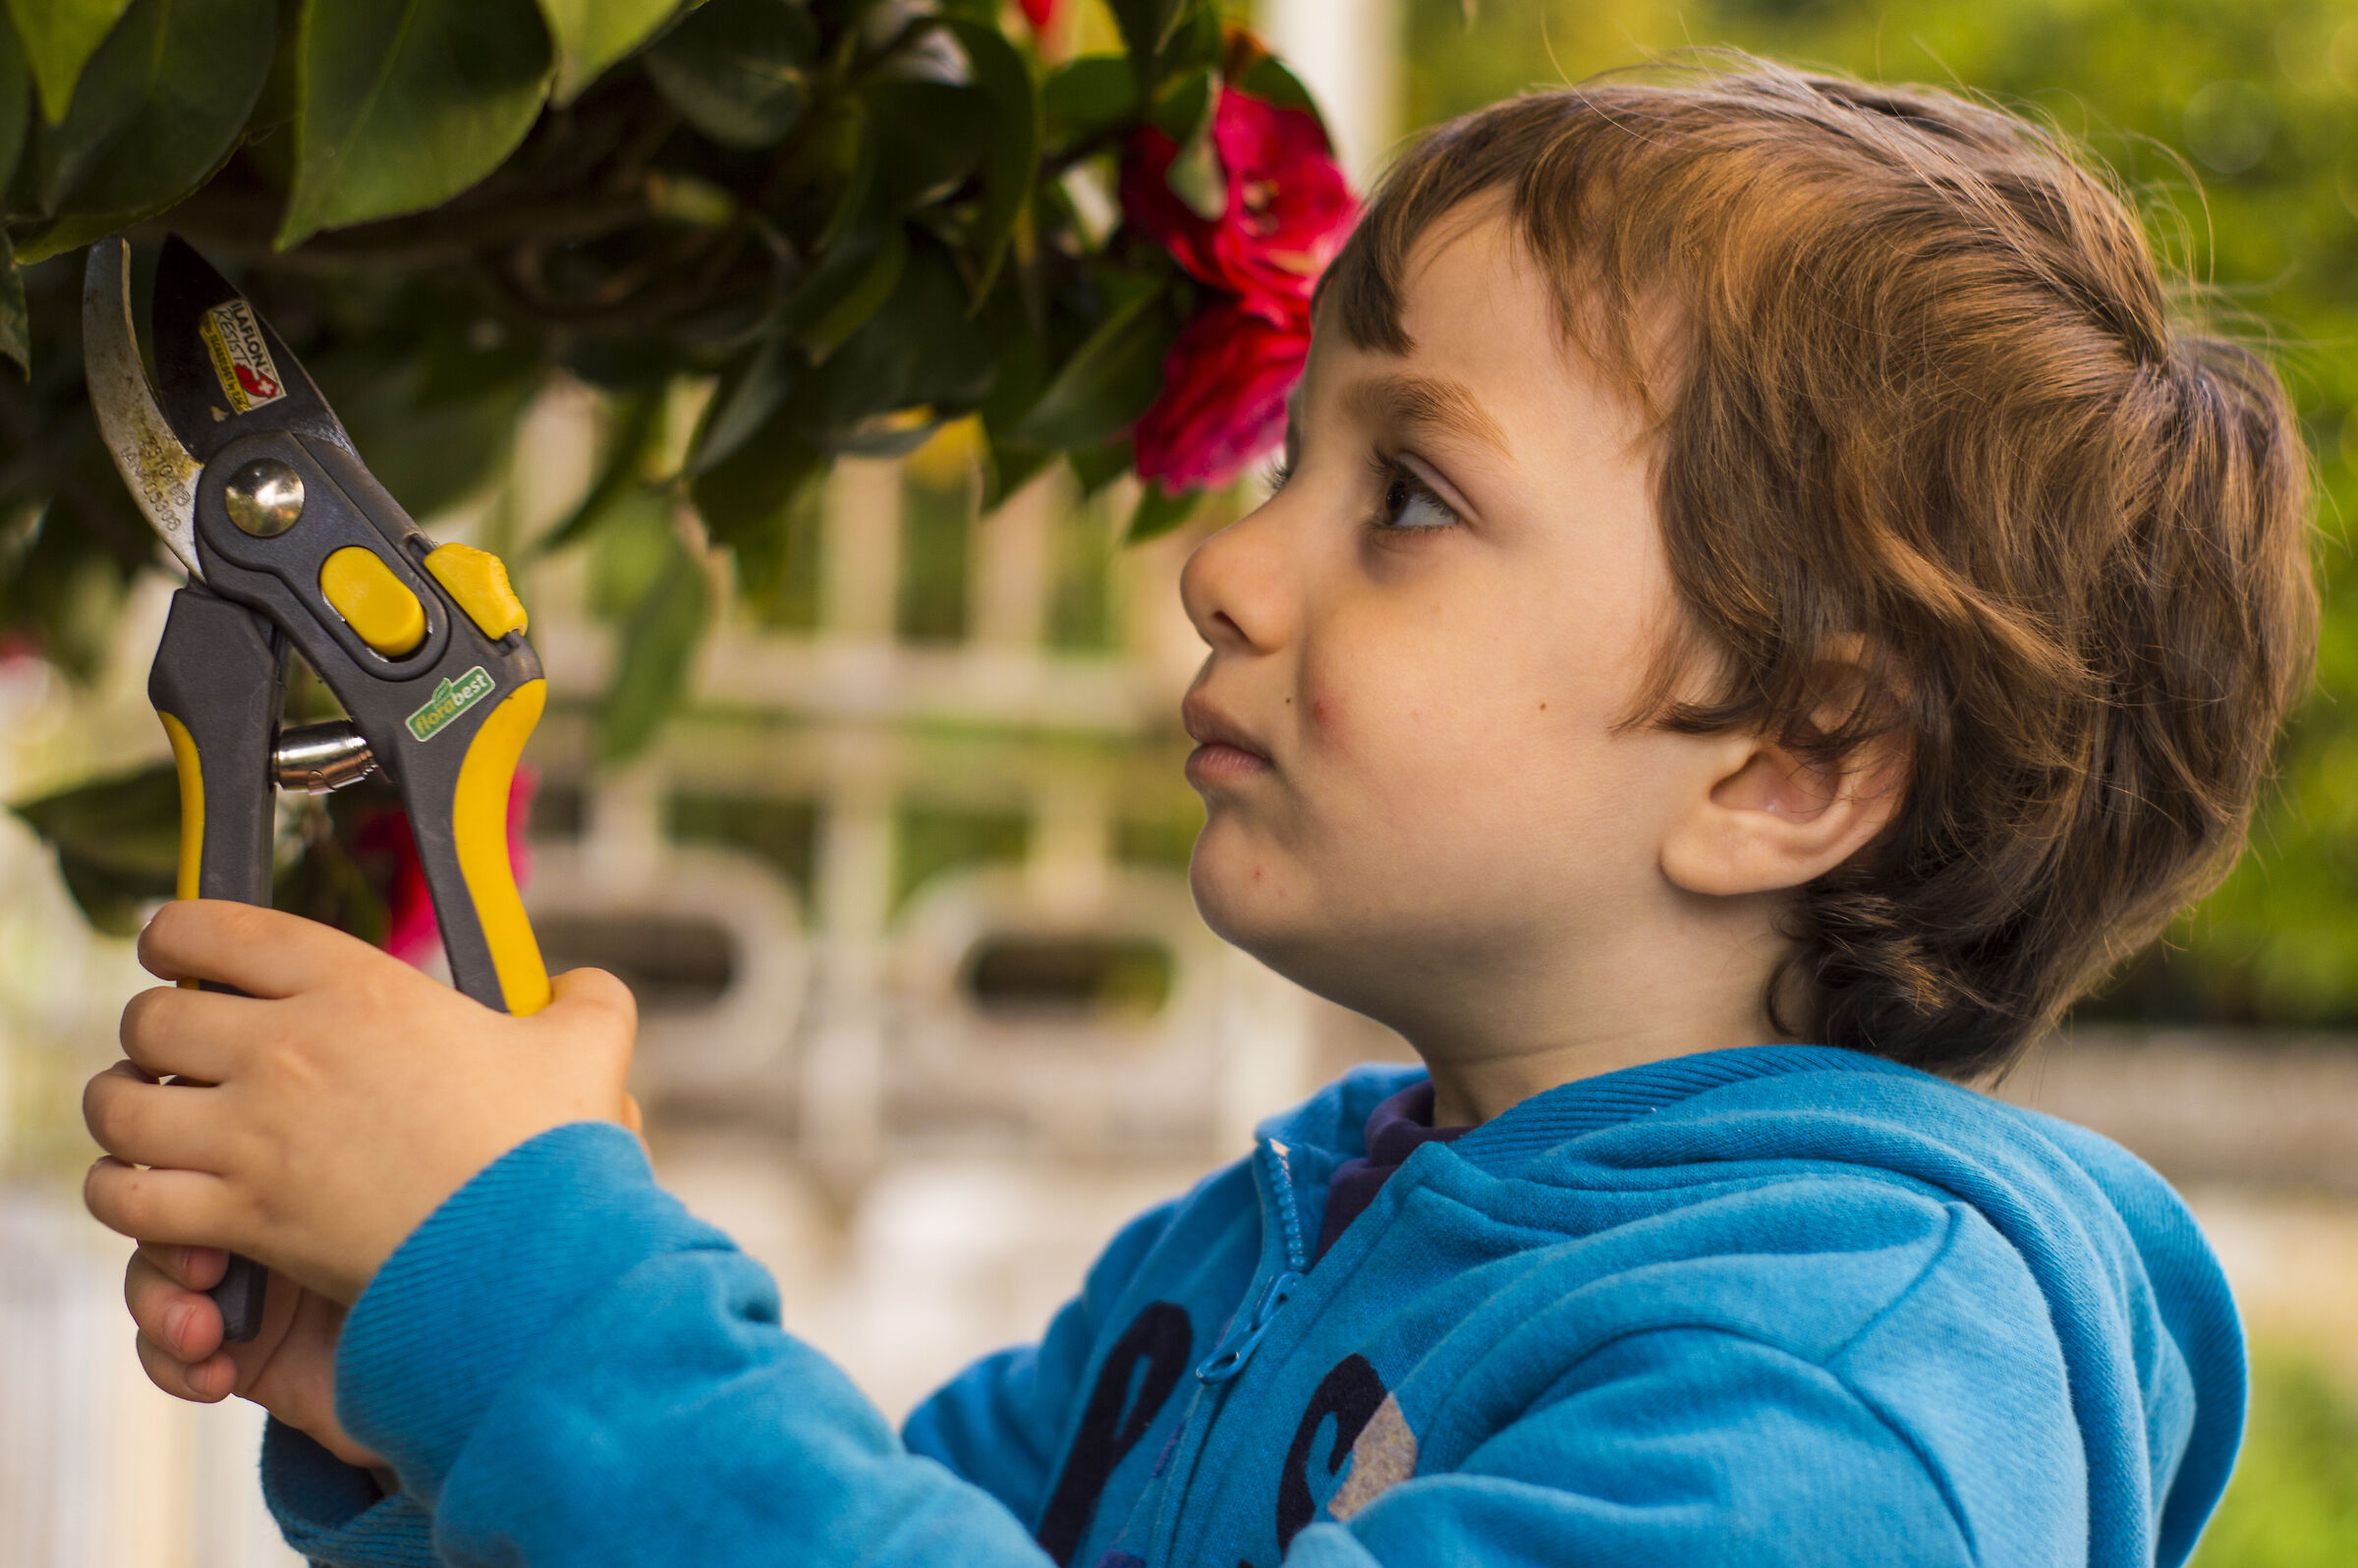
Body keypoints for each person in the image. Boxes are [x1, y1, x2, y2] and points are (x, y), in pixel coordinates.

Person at [84, 59, 2316, 1568]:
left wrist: (537, 1290)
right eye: (1286, 466)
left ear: (1787, 771)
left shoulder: (1839, 1384)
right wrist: (431, 1402)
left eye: (1409, 496)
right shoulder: (1276, 1240)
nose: (1227, 566)